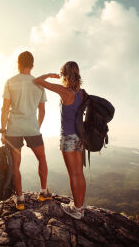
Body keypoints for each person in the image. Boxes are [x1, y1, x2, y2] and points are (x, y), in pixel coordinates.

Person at [0, 51, 52, 210]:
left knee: (16, 164)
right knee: (42, 159)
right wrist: (37, 126)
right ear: (32, 65)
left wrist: (3, 130)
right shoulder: (39, 83)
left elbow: (5, 109)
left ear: (18, 64)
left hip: (14, 128)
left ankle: (20, 199)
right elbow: (42, 110)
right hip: (32, 127)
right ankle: (44, 192)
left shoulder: (10, 82)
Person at [34, 61, 86, 219]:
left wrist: (50, 75)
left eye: (62, 74)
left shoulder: (64, 91)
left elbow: (37, 80)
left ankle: (76, 210)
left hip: (68, 138)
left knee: (73, 175)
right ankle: (79, 207)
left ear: (65, 74)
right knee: (79, 173)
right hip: (80, 138)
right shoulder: (82, 93)